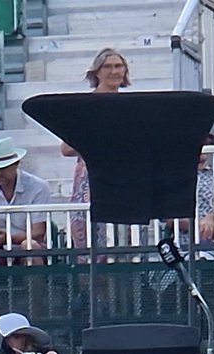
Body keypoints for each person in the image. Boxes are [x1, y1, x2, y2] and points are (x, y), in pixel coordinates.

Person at [61, 47, 129, 250]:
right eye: (107, 66)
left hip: (124, 177)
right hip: (91, 180)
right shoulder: (85, 106)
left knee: (126, 240)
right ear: (97, 72)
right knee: (90, 243)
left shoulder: (131, 104)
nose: (114, 71)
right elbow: (65, 148)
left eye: (118, 66)